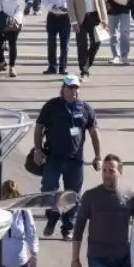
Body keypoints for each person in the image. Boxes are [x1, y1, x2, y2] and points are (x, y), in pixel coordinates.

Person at [33, 75, 102, 240]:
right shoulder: (52, 106)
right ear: (63, 89)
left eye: (76, 88)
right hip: (53, 158)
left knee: (73, 196)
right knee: (48, 189)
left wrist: (98, 156)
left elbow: (94, 132)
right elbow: (39, 127)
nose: (74, 91)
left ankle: (68, 228)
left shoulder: (85, 108)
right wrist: (37, 149)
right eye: (70, 88)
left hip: (75, 160)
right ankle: (51, 218)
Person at [71, 155, 134, 267]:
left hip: (121, 258)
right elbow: (79, 228)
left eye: (111, 171)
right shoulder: (90, 196)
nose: (107, 174)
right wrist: (75, 259)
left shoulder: (131, 197)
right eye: (105, 171)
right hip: (97, 256)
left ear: (120, 171)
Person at [0, 179, 39, 267]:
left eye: (14, 196)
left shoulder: (24, 212)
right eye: (8, 197)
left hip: (20, 265)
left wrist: (34, 255)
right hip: (2, 266)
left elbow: (31, 232)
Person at [67, 0, 108, 80]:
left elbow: (101, 0)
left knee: (97, 42)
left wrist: (105, 19)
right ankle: (83, 70)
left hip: (95, 16)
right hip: (81, 18)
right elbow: (70, 4)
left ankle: (87, 65)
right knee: (82, 44)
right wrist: (73, 21)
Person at [42, 0, 72, 75]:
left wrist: (65, 6)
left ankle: (63, 67)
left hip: (65, 17)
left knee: (65, 44)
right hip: (52, 17)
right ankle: (52, 66)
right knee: (51, 42)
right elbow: (44, 0)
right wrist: (52, 7)